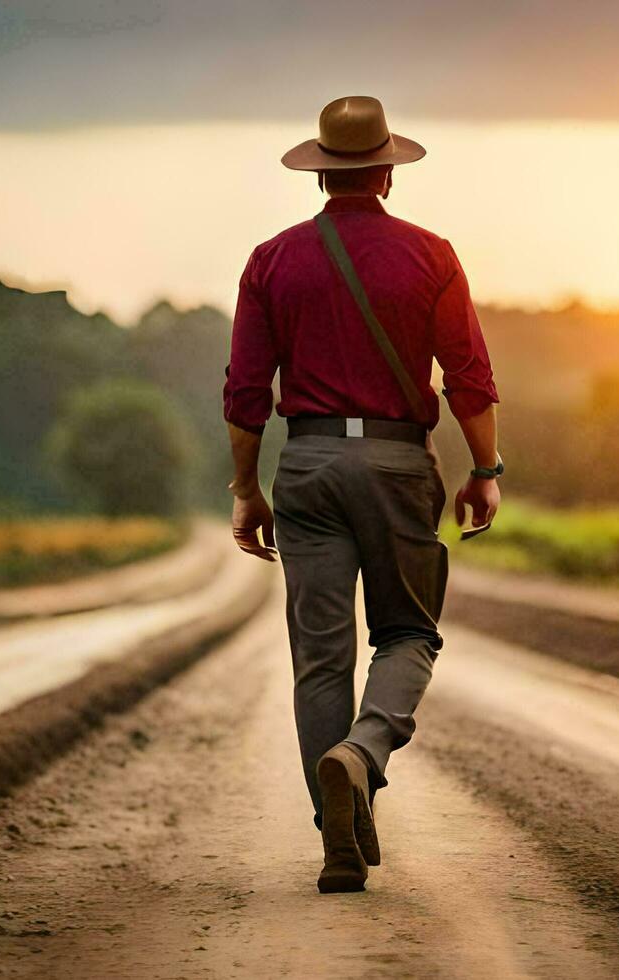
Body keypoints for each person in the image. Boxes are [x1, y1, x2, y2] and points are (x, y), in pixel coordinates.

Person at [222, 95, 502, 893]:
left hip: (306, 465)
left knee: (320, 661)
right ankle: (363, 752)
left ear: (320, 176)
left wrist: (247, 489)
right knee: (410, 632)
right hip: (395, 461)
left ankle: (333, 835)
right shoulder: (432, 255)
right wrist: (485, 471)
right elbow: (468, 379)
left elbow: (246, 391)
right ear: (387, 172)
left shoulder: (271, 260)